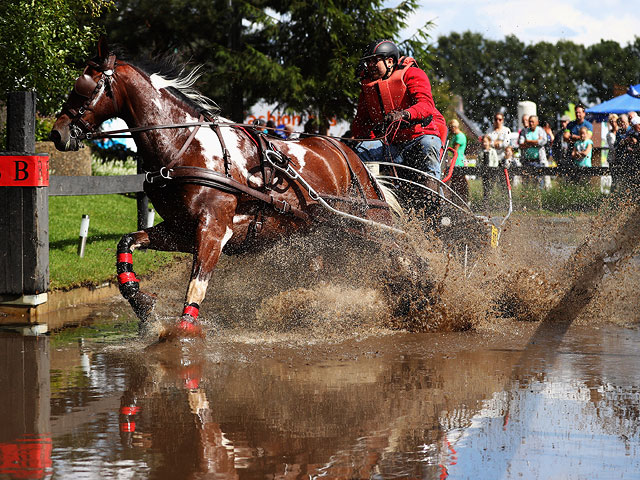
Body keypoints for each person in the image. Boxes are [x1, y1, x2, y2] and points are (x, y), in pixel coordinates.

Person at [351, 39, 447, 179]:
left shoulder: (413, 74)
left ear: (389, 61)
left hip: (420, 138)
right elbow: (361, 121)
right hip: (391, 144)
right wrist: (354, 141)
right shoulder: (368, 87)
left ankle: (434, 197)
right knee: (361, 151)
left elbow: (426, 106)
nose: (370, 66)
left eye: (374, 61)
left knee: (428, 144)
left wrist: (405, 114)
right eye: (368, 62)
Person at [448, 119, 468, 202]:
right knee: (455, 181)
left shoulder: (459, 136)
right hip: (455, 159)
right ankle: (455, 199)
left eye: (450, 128)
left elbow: (455, 150)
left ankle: (463, 199)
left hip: (458, 160)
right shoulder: (455, 136)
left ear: (454, 127)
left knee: (460, 180)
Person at [479, 135, 499, 206]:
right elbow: (479, 161)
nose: (484, 143)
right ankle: (485, 202)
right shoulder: (481, 152)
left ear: (489, 142)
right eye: (483, 142)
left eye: (485, 142)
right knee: (485, 187)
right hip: (484, 172)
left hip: (492, 171)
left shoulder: (493, 151)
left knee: (492, 187)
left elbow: (495, 161)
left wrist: (493, 169)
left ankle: (493, 202)